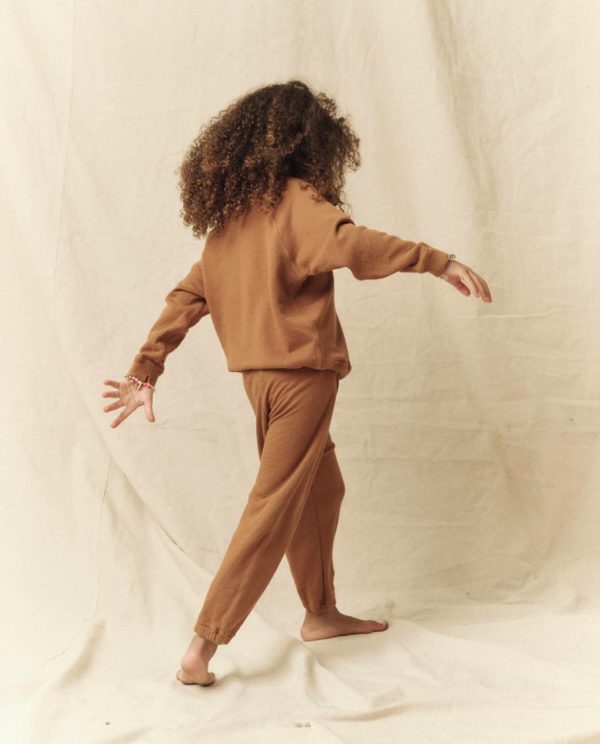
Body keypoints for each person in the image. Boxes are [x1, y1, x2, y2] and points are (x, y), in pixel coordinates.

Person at [101, 79, 492, 687]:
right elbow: (348, 243)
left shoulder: (231, 221)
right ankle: (202, 645)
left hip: (259, 384)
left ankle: (320, 613)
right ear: (310, 142)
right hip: (302, 380)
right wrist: (436, 260)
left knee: (322, 489)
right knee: (273, 506)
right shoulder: (295, 200)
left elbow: (187, 296)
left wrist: (144, 370)